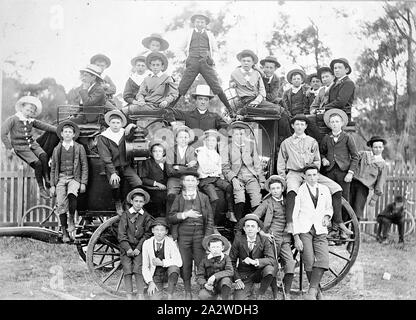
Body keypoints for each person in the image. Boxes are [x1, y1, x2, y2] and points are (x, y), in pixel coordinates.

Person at [276, 114, 353, 237]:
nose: (299, 127)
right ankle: (290, 223)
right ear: (292, 126)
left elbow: (317, 160)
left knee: (337, 189)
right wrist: (282, 178)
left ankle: (338, 221)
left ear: (306, 126)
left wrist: (312, 173)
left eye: (302, 124)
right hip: (294, 173)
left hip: (311, 173)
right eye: (297, 124)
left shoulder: (312, 142)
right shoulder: (287, 143)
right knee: (291, 190)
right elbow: (281, 162)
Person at [171, 13, 233, 115]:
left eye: (202, 22)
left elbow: (216, 50)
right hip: (192, 62)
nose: (200, 24)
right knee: (183, 86)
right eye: (198, 22)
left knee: (216, 86)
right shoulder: (189, 34)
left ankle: (230, 109)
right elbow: (180, 48)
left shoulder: (209, 35)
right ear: (194, 23)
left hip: (205, 63)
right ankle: (168, 108)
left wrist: (212, 60)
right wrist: (185, 59)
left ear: (205, 24)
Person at [167, 172, 214, 299]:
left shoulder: (203, 198)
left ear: (197, 182)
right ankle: (187, 290)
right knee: (185, 263)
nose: (190, 183)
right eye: (187, 180)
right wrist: (185, 214)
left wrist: (207, 237)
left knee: (201, 263)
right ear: (183, 183)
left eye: (193, 180)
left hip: (199, 235)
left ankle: (202, 289)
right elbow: (171, 217)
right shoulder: (178, 198)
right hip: (183, 235)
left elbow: (210, 219)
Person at [1, 96, 56, 199]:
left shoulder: (31, 120)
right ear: (21, 108)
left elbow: (45, 126)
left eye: (31, 111)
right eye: (27, 110)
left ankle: (47, 179)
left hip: (32, 144)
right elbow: (2, 133)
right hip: (20, 147)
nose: (29, 112)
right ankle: (41, 189)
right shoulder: (13, 119)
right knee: (38, 163)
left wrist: (59, 130)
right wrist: (9, 148)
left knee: (44, 155)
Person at [292, 165, 332, 300]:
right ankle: (317, 292)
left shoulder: (325, 190)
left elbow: (329, 208)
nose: (312, 178)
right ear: (304, 177)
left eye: (315, 175)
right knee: (308, 261)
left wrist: (327, 216)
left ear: (318, 175)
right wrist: (296, 237)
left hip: (320, 229)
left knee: (324, 259)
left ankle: (312, 291)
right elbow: (294, 215)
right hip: (304, 230)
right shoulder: (300, 191)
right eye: (309, 175)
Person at [253, 175, 295, 300]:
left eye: (278, 188)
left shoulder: (289, 202)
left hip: (286, 238)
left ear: (282, 188)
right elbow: (254, 217)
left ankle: (286, 292)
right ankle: (272, 293)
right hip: (272, 238)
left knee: (290, 263)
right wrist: (262, 233)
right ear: (270, 191)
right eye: (273, 189)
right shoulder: (267, 202)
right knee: (273, 264)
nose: (275, 191)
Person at [97, 110, 142, 215]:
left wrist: (132, 126)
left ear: (121, 124)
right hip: (112, 167)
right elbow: (105, 157)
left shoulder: (124, 133)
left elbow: (144, 133)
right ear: (109, 123)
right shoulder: (103, 137)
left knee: (137, 182)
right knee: (115, 183)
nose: (116, 125)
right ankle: (118, 203)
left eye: (118, 123)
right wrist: (112, 172)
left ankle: (127, 202)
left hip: (125, 166)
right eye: (113, 123)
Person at [50, 120, 88, 242]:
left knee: (72, 194)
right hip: (61, 178)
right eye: (65, 132)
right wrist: (52, 185)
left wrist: (83, 182)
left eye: (69, 132)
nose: (67, 134)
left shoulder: (79, 147)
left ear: (73, 134)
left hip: (74, 178)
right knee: (61, 205)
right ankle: (65, 233)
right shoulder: (57, 149)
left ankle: (71, 217)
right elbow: (53, 168)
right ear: (61, 134)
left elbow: (84, 165)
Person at [221, 122, 265, 221]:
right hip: (237, 177)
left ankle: (256, 223)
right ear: (232, 135)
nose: (239, 136)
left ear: (245, 134)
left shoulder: (251, 145)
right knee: (239, 198)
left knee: (256, 198)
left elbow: (257, 164)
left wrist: (261, 180)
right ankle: (238, 226)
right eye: (236, 134)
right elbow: (225, 167)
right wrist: (233, 179)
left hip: (250, 176)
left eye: (241, 134)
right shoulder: (228, 147)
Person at [320, 109, 359, 220]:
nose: (335, 124)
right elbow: (322, 152)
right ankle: (331, 225)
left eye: (337, 122)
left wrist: (350, 173)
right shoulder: (327, 138)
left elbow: (355, 157)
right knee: (329, 198)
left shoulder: (347, 137)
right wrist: (323, 159)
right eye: (332, 122)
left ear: (341, 123)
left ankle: (343, 227)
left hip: (344, 174)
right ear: (329, 124)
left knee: (344, 199)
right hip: (330, 172)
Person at [118, 188, 154, 300]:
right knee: (127, 269)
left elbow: (148, 234)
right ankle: (129, 294)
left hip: (140, 248)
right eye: (136, 201)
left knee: (139, 269)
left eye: (141, 201)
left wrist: (139, 248)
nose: (138, 204)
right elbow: (121, 233)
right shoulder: (125, 215)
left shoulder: (146, 216)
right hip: (126, 248)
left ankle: (140, 294)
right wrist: (128, 248)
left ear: (144, 203)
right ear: (132, 202)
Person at [230, 50, 288, 120]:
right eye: (266, 67)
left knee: (281, 103)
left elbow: (273, 95)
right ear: (263, 67)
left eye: (271, 68)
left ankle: (290, 119)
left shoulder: (276, 79)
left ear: (275, 69)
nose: (268, 70)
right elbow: (242, 69)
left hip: (266, 99)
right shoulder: (258, 74)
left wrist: (262, 98)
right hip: (255, 98)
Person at [230, 214, 276, 300]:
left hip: (259, 272)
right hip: (244, 274)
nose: (250, 228)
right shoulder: (238, 240)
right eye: (247, 226)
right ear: (244, 228)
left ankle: (260, 293)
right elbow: (231, 262)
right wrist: (237, 279)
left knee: (270, 269)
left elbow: (271, 259)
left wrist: (255, 261)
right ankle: (249, 288)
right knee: (239, 299)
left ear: (258, 229)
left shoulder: (264, 240)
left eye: (253, 226)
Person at [121, 52, 177, 119]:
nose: (155, 67)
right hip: (146, 105)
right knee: (124, 110)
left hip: (158, 106)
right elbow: (141, 93)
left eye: (157, 65)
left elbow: (174, 94)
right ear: (150, 66)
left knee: (125, 110)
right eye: (153, 65)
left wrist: (166, 101)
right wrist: (141, 100)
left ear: (162, 66)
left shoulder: (167, 78)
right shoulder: (147, 79)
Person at [196, 129, 236, 222]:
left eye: (213, 140)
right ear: (205, 141)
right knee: (214, 199)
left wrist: (216, 170)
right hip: (205, 179)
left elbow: (219, 169)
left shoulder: (216, 154)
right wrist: (215, 168)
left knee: (229, 187)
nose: (211, 143)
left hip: (215, 178)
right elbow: (205, 169)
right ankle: (211, 222)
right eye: (209, 140)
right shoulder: (201, 152)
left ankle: (230, 212)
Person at [141, 217, 182, 300]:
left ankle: (170, 294)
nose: (159, 233)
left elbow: (179, 262)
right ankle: (157, 288)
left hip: (167, 273)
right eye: (156, 230)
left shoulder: (171, 242)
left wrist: (162, 263)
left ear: (166, 232)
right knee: (154, 298)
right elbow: (145, 266)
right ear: (152, 230)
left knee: (174, 269)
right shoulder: (147, 243)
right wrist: (150, 282)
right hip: (155, 275)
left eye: (162, 230)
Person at [350, 136, 388, 220]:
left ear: (383, 148)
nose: (377, 149)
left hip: (363, 188)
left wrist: (374, 197)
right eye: (375, 147)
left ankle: (354, 232)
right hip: (352, 183)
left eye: (380, 147)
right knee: (346, 207)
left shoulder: (382, 164)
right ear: (371, 147)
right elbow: (353, 160)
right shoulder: (363, 154)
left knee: (357, 210)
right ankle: (343, 232)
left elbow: (380, 182)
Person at [165, 125, 198, 211]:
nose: (183, 139)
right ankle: (171, 219)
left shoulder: (192, 150)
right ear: (176, 139)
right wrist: (187, 167)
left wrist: (179, 167)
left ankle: (192, 220)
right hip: (174, 179)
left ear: (189, 139)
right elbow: (169, 171)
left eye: (186, 137)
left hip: (189, 179)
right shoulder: (170, 151)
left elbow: (194, 170)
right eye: (181, 137)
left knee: (194, 196)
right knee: (171, 195)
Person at [196, 234, 233, 300]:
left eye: (218, 247)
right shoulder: (204, 260)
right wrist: (205, 284)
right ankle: (213, 297)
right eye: (213, 247)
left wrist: (215, 276)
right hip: (209, 285)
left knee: (226, 280)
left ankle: (224, 297)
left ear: (222, 248)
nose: (215, 250)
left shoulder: (226, 258)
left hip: (222, 284)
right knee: (202, 296)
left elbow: (230, 271)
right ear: (209, 248)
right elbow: (199, 276)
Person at [139, 139, 168, 217]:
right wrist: (156, 184)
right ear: (151, 153)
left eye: (160, 151)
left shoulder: (167, 162)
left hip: (166, 188)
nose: (158, 154)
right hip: (153, 190)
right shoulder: (147, 162)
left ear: (164, 153)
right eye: (155, 151)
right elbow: (143, 179)